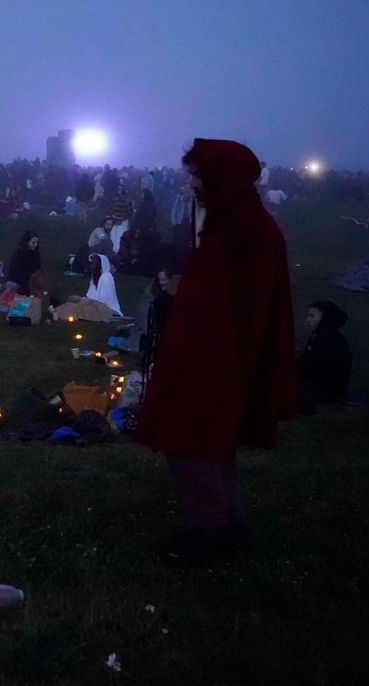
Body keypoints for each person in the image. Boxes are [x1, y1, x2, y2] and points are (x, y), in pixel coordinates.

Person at [136, 139, 296, 567]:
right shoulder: (230, 221)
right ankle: (225, 521)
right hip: (203, 350)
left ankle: (213, 529)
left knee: (191, 439)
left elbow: (239, 303)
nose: (190, 183)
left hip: (217, 358)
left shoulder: (248, 230)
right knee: (207, 441)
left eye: (197, 175)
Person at [298, 300, 352, 414]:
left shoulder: (328, 340)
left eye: (312, 316)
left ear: (324, 319)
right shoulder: (319, 335)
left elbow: (313, 367)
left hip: (327, 388)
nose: (308, 320)